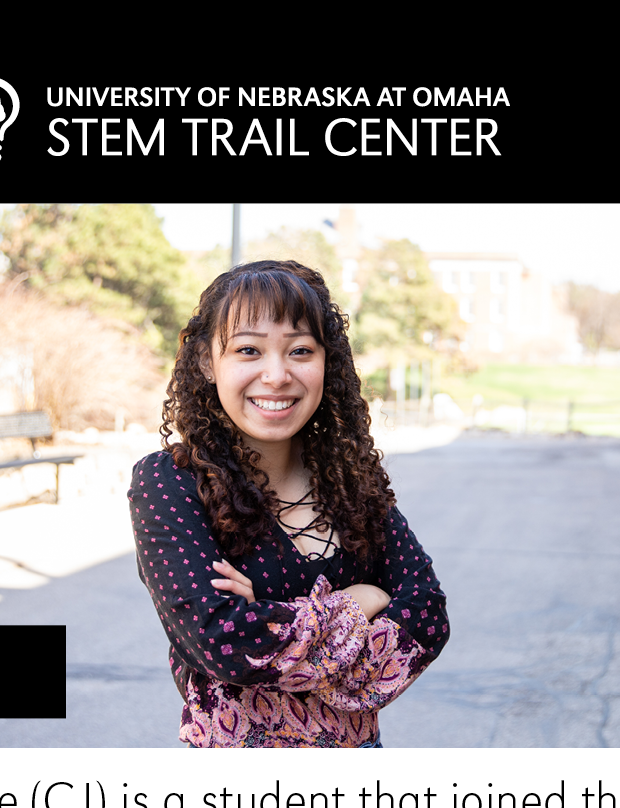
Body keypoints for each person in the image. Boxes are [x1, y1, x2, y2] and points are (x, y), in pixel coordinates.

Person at [128, 259, 449, 748]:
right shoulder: (170, 483)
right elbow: (223, 642)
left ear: (327, 363)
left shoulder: (350, 481)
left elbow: (427, 618)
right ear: (206, 363)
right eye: (248, 350)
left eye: (300, 350)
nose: (276, 375)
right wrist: (354, 603)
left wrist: (268, 615)